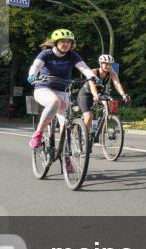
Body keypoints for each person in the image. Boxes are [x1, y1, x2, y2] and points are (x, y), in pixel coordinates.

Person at [26, 29, 98, 158]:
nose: (66, 44)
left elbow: (84, 68)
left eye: (69, 42)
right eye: (63, 42)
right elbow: (36, 66)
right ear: (56, 43)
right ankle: (38, 134)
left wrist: (91, 76)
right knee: (55, 101)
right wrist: (32, 74)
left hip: (63, 90)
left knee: (67, 126)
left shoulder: (72, 55)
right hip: (44, 88)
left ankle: (67, 159)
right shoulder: (46, 54)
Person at [79, 54, 130, 133]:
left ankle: (101, 126)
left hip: (99, 92)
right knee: (89, 116)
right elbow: (92, 86)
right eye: (106, 64)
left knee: (109, 102)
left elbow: (117, 84)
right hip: (86, 93)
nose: (108, 66)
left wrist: (123, 95)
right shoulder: (94, 72)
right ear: (100, 64)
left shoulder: (112, 73)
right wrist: (95, 95)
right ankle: (84, 134)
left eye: (110, 64)